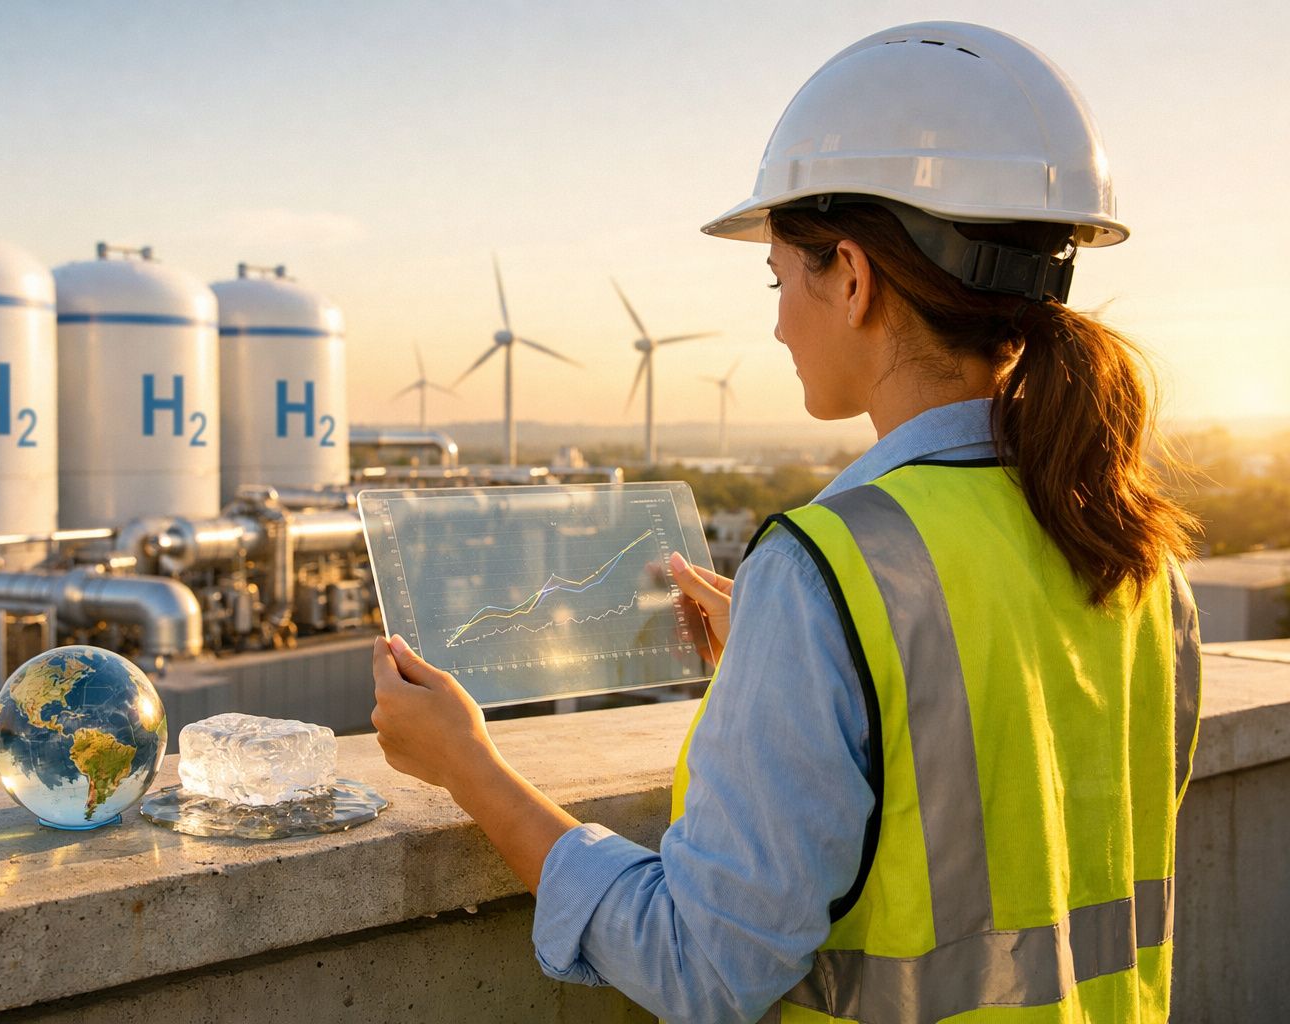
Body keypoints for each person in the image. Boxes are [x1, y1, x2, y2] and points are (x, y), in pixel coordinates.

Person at [371, 21, 1202, 1024]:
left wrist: (467, 763)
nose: (774, 322)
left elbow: (701, 965)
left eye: (779, 278)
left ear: (851, 276)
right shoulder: (1136, 549)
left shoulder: (833, 570)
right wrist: (785, 669)